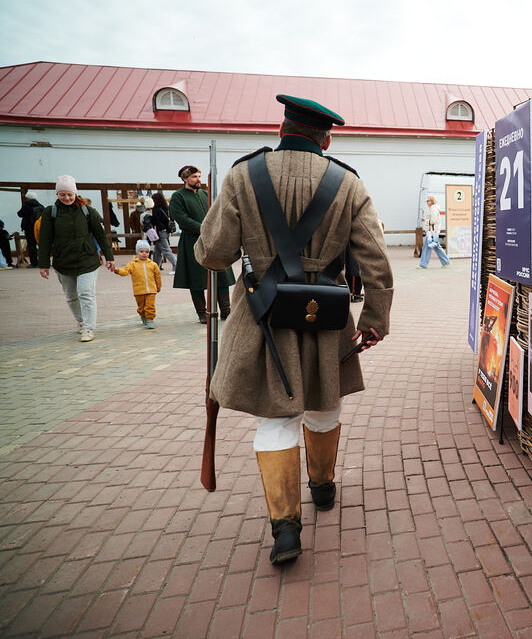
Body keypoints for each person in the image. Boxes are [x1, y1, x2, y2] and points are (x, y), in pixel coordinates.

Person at [195, 94, 393, 565]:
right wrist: (374, 320)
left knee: (275, 419)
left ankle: (285, 529)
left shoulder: (242, 175)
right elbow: (376, 262)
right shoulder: (348, 183)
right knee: (325, 405)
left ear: (282, 131)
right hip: (326, 319)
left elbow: (214, 255)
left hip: (263, 316)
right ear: (326, 140)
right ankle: (322, 487)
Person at [37, 175, 116, 342]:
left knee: (86, 293)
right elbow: (45, 240)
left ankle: (88, 328)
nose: (67, 198)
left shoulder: (87, 211)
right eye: (62, 194)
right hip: (63, 261)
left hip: (87, 259)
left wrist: (109, 257)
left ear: (75, 193)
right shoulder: (50, 212)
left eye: (70, 194)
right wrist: (43, 264)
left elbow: (101, 235)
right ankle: (81, 320)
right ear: (57, 194)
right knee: (71, 296)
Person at [170, 165, 235, 323]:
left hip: (213, 240)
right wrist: (204, 229)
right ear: (185, 179)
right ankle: (202, 313)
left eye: (199, 176)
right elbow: (181, 218)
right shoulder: (178, 196)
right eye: (194, 177)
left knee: (221, 274)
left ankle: (226, 311)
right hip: (191, 241)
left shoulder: (205, 194)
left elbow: (217, 212)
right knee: (196, 279)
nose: (198, 179)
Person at [114, 239, 162, 328]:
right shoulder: (132, 264)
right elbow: (125, 271)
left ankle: (150, 319)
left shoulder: (153, 264)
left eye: (146, 252)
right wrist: (117, 270)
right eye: (141, 251)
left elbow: (157, 276)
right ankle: (143, 315)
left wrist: (158, 286)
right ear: (137, 252)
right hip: (138, 290)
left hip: (151, 290)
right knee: (141, 307)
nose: (144, 254)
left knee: (150, 306)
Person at [417, 195, 450, 268]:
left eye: (428, 201)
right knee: (437, 247)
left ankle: (423, 264)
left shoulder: (433, 208)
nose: (427, 202)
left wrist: (426, 221)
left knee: (427, 247)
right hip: (434, 231)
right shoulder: (434, 208)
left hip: (432, 231)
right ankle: (446, 262)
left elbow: (433, 220)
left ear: (432, 201)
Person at [150, 191, 177, 274]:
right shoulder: (167, 209)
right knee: (157, 251)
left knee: (166, 250)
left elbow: (155, 221)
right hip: (166, 231)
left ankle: (176, 266)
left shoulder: (156, 209)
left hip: (160, 232)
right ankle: (155, 268)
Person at [17, 191, 44, 268]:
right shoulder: (40, 206)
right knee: (42, 245)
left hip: (29, 229)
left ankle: (34, 263)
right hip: (39, 228)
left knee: (31, 246)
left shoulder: (26, 206)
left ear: (28, 198)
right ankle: (44, 262)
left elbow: (19, 214)